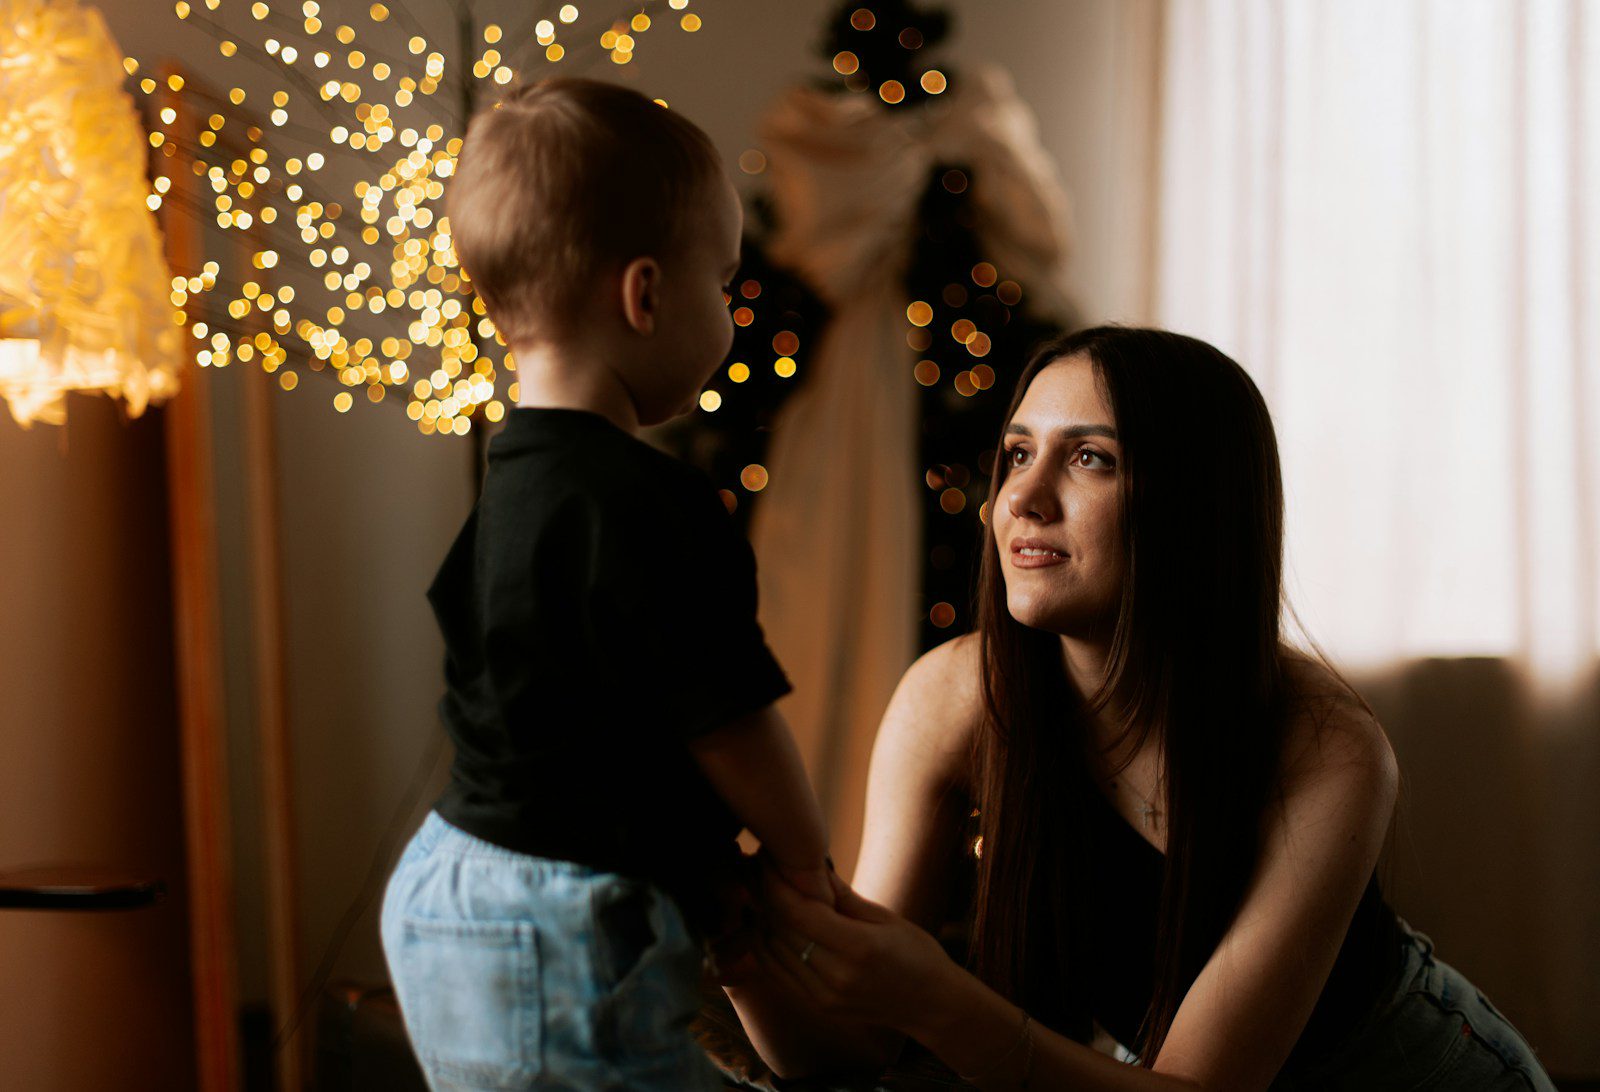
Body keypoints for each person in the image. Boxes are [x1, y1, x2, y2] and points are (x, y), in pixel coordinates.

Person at [725, 327, 1557, 1090]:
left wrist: (939, 999)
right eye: (1018, 453)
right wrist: (730, 934)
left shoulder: (1326, 746)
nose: (1023, 498)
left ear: (1194, 508)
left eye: (1091, 459)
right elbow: (849, 1051)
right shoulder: (950, 699)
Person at [379, 77, 833, 1092]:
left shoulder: (509, 483)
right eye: (721, 281)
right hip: (557, 912)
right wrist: (805, 859)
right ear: (644, 295)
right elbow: (729, 720)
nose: (729, 308)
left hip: (442, 879)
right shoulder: (651, 502)